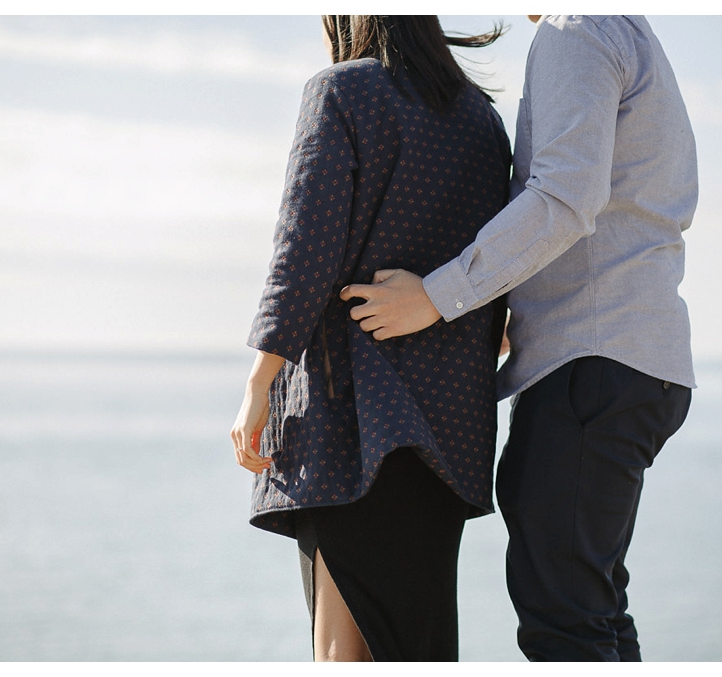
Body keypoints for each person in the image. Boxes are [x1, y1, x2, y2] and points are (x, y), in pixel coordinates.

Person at [340, 15, 697, 661]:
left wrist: (438, 296)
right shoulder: (625, 29)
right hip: (634, 358)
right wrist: (508, 298)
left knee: (566, 621)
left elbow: (564, 193)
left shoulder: (576, 27)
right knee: (592, 610)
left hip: (591, 357)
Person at [229, 16, 511, 662]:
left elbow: (302, 253)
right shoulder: (484, 123)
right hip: (449, 442)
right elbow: (500, 272)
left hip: (352, 432)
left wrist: (257, 386)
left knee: (341, 655)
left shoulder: (340, 93)